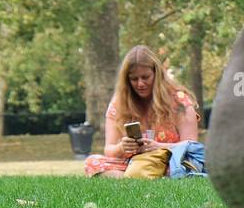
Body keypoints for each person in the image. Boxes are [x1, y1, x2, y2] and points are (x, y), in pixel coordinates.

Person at [84, 45, 201, 178]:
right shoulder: (118, 103)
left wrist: (159, 146)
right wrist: (122, 147)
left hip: (169, 163)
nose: (140, 84)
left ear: (156, 75)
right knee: (92, 162)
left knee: (188, 166)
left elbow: (192, 147)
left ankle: (133, 179)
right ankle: (138, 178)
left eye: (145, 77)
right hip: (132, 163)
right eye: (134, 79)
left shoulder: (179, 101)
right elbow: (109, 149)